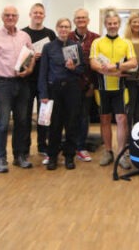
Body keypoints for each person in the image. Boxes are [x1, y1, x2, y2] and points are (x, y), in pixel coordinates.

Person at [0, 6, 35, 173]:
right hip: (3, 84)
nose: (10, 17)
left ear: (18, 18)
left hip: (22, 83)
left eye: (13, 15)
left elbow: (31, 55)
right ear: (2, 17)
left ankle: (19, 156)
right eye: (7, 15)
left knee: (22, 121)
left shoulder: (24, 36)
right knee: (3, 123)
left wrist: (30, 69)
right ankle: (1, 158)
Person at [90, 8, 138, 168]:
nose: (112, 26)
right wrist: (112, 71)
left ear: (119, 24)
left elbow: (133, 62)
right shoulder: (97, 42)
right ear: (105, 24)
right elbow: (93, 63)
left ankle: (122, 154)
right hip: (102, 88)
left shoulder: (126, 42)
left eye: (115, 23)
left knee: (122, 120)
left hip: (120, 89)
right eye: (109, 23)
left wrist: (116, 65)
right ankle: (108, 151)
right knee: (104, 120)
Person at [38, 18, 86, 171]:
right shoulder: (48, 47)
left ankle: (69, 156)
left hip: (72, 89)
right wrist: (43, 93)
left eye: (66, 27)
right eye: (61, 27)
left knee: (72, 124)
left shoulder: (76, 46)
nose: (64, 29)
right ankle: (52, 156)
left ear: (70, 29)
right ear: (57, 28)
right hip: (54, 90)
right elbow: (43, 72)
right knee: (54, 125)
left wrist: (73, 68)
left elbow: (82, 70)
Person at [21, 3, 57, 164]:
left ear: (44, 15)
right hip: (26, 81)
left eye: (41, 13)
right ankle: (25, 148)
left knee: (44, 116)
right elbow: (17, 58)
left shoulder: (50, 33)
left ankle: (43, 146)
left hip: (45, 82)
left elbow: (56, 55)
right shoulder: (22, 33)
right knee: (25, 116)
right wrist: (31, 57)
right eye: (35, 12)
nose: (38, 15)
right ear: (30, 14)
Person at [69, 8, 100, 163]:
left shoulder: (96, 39)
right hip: (69, 86)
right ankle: (70, 146)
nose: (81, 20)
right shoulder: (66, 37)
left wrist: (93, 85)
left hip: (87, 85)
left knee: (83, 117)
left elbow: (99, 64)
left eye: (84, 18)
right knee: (69, 117)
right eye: (78, 18)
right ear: (74, 20)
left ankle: (81, 147)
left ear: (88, 20)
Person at [123, 12, 139, 127]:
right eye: (135, 22)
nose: (137, 24)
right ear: (130, 24)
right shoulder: (123, 41)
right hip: (129, 79)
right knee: (129, 108)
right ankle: (128, 138)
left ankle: (138, 136)